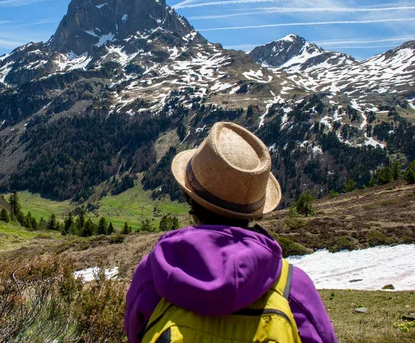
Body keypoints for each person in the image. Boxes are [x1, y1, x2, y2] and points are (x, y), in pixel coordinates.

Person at [124, 122, 336, 343]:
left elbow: (135, 333)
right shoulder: (293, 287)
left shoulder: (155, 271)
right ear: (255, 211)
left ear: (191, 198)